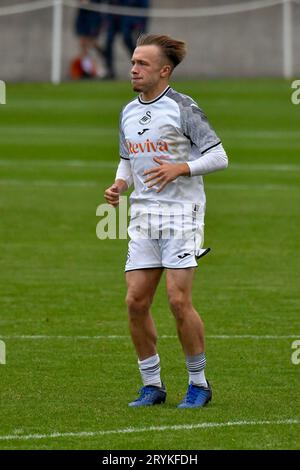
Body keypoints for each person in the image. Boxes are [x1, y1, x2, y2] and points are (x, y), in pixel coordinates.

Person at [104, 34, 228, 408]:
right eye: (132, 63)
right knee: (135, 302)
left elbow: (219, 156)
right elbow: (127, 157)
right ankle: (152, 385)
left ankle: (199, 384)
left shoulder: (183, 107)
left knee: (177, 300)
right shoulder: (128, 111)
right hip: (143, 214)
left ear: (164, 70)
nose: (133, 69)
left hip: (181, 215)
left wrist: (182, 168)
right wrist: (120, 184)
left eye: (142, 64)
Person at [103, 0, 149, 79]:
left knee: (127, 39)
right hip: (114, 19)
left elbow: (144, 7)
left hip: (129, 19)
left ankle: (138, 63)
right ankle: (109, 70)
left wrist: (140, 23)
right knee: (108, 42)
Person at [72, 0, 104, 79]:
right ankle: (88, 70)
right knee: (83, 44)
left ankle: (101, 65)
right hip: (83, 17)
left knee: (93, 43)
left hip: (93, 17)